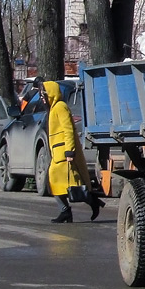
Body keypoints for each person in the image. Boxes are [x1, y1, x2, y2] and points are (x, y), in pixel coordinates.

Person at [43, 80, 103, 223]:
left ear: (50, 94)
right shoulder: (53, 108)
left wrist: (69, 151)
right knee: (61, 183)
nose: (42, 97)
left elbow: (68, 129)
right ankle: (78, 206)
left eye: (43, 94)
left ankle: (76, 206)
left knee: (63, 183)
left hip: (64, 153)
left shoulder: (60, 107)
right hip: (58, 153)